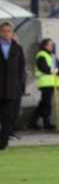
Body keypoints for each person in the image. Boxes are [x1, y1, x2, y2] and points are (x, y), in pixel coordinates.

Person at [0, 22, 26, 150]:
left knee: (7, 118)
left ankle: (3, 143)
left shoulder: (17, 49)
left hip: (11, 90)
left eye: (8, 31)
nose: (6, 33)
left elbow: (21, 70)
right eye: (4, 31)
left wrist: (19, 87)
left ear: (12, 33)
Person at [29, 38, 59, 131]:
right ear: (44, 45)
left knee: (44, 103)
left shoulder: (52, 56)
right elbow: (44, 68)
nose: (51, 46)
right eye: (50, 44)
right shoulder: (41, 55)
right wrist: (55, 71)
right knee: (46, 103)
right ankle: (44, 121)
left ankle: (36, 121)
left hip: (52, 82)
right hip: (45, 82)